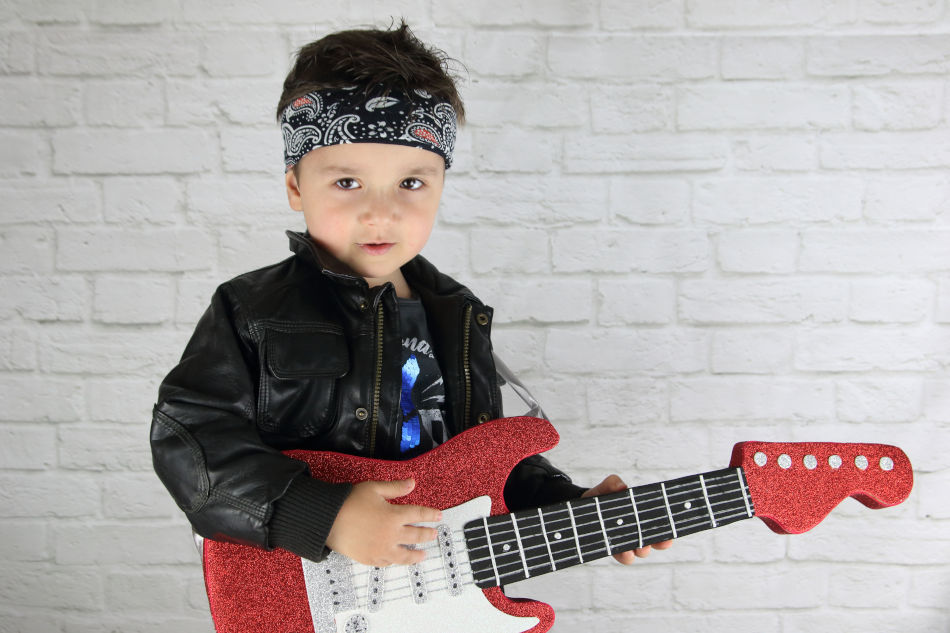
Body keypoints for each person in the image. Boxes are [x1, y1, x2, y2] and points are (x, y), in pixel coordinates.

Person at [150, 19, 669, 572]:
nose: (382, 212)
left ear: (443, 182)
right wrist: (324, 514)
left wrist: (572, 508)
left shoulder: (457, 315)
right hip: (307, 587)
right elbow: (189, 442)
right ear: (295, 186)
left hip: (432, 590)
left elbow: (484, 468)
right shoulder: (252, 310)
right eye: (347, 182)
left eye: (411, 183)